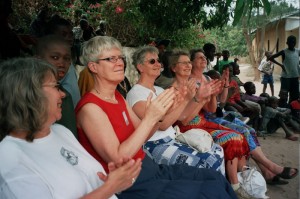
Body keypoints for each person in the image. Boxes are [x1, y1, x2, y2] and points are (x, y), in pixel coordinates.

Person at [75, 36, 237, 199]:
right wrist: (152, 118)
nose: (119, 63)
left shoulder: (118, 97)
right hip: (133, 184)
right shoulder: (90, 108)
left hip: (149, 167)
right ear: (93, 66)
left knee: (215, 178)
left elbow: (145, 133)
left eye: (120, 58)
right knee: (209, 192)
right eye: (111, 59)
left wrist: (159, 115)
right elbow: (118, 157)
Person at [0, 57, 142, 199]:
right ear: (29, 93)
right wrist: (111, 187)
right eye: (56, 86)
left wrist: (117, 180)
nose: (63, 94)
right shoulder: (9, 157)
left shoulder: (60, 131)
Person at [126, 46, 225, 174]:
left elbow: (181, 117)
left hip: (174, 138)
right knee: (207, 161)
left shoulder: (160, 90)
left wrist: (199, 98)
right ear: (140, 67)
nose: (158, 64)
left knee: (218, 151)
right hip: (155, 144)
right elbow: (162, 125)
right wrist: (188, 99)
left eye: (158, 61)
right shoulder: (136, 93)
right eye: (152, 61)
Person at [171, 49, 251, 198]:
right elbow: (184, 119)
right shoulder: (174, 88)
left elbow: (211, 109)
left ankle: (240, 178)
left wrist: (213, 95)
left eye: (189, 62)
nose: (188, 65)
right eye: (185, 63)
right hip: (187, 128)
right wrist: (199, 98)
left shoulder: (196, 82)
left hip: (203, 122)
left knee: (240, 135)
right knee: (232, 138)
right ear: (173, 68)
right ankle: (234, 185)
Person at [35, 34, 77, 137]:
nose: (61, 63)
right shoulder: (25, 94)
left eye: (67, 59)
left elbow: (71, 136)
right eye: (55, 57)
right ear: (38, 59)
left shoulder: (65, 95)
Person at [45, 15, 81, 107]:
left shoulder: (68, 58)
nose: (69, 38)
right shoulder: (49, 63)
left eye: (71, 34)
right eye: (64, 34)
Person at [269, 35, 300, 103]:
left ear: (295, 43)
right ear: (287, 43)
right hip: (286, 77)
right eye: (290, 42)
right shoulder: (284, 51)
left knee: (295, 95)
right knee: (284, 95)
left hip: (295, 76)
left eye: (293, 42)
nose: (292, 44)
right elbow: (270, 58)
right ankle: (283, 107)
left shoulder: (298, 51)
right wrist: (281, 65)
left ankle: (292, 109)